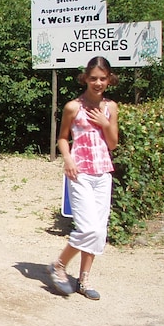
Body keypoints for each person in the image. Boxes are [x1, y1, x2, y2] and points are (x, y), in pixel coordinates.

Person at [48, 56, 119, 300]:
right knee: (88, 227)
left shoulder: (111, 107)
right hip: (79, 172)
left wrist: (105, 123)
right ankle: (59, 264)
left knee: (99, 231)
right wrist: (67, 158)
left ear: (109, 79)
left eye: (102, 78)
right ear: (85, 79)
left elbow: (113, 143)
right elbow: (62, 137)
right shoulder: (73, 107)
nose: (98, 83)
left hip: (103, 172)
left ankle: (84, 279)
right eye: (93, 78)